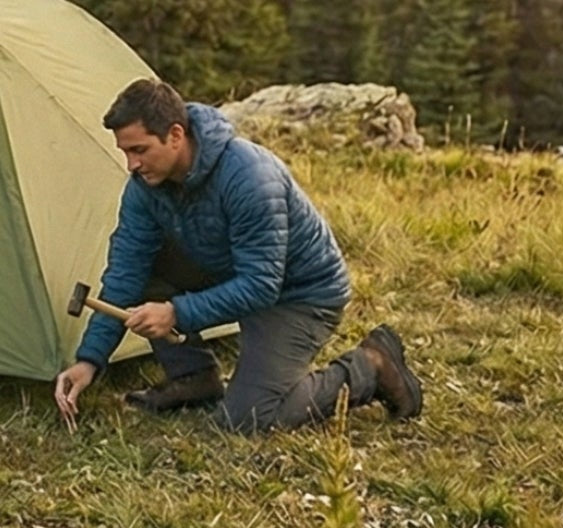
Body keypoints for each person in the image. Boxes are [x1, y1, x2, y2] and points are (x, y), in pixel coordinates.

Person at [54, 79, 423, 433]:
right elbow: (124, 274)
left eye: (139, 150)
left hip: (299, 294)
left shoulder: (249, 176)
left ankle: (371, 366)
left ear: (176, 135)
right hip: (233, 273)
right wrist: (89, 361)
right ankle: (193, 378)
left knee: (250, 418)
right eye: (125, 152)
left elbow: (261, 285)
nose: (131, 165)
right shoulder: (144, 189)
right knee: (144, 270)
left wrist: (175, 313)